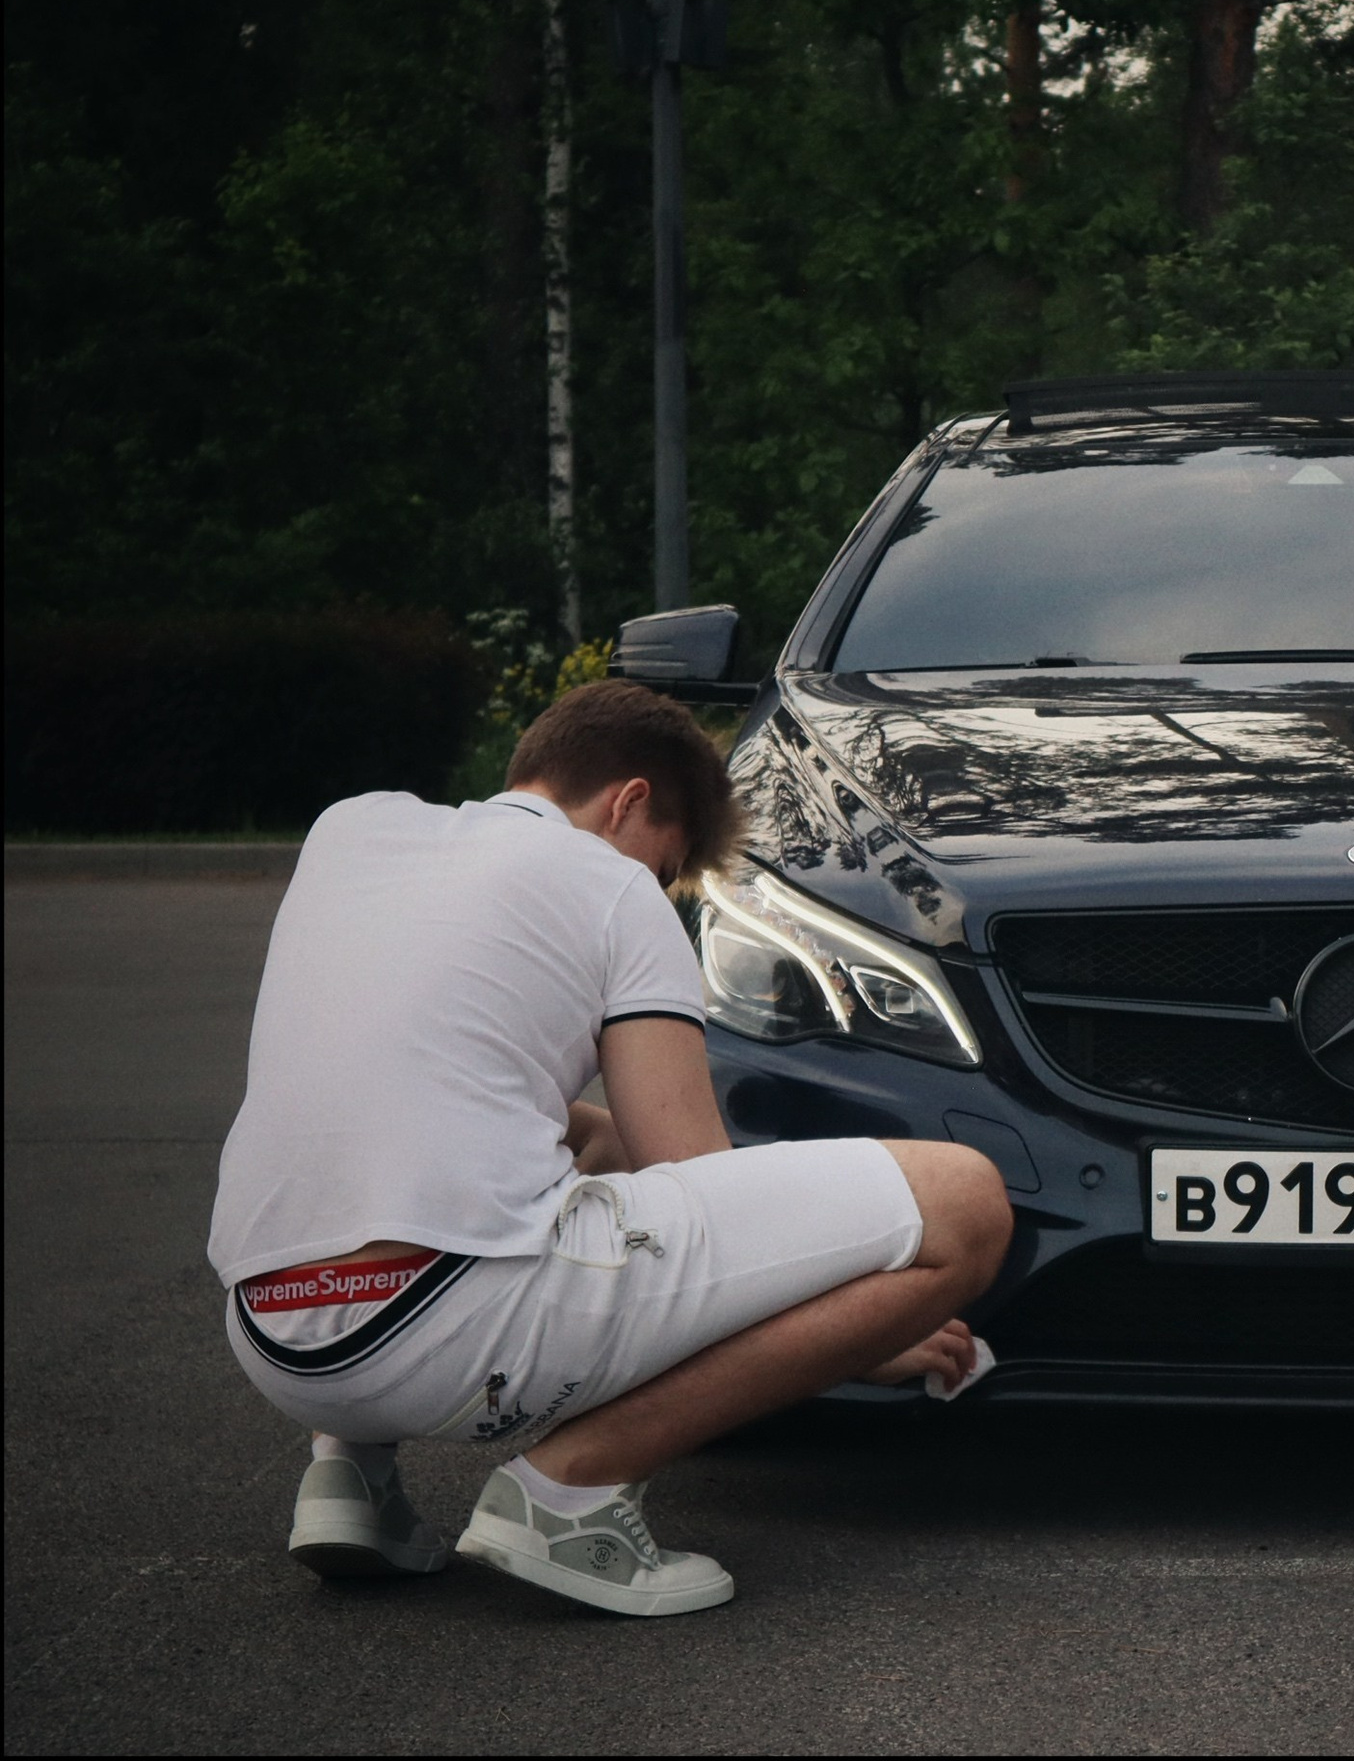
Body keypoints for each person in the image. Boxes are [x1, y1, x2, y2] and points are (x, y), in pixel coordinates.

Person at [208, 680, 1012, 1617]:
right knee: (963, 1203)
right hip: (445, 1332)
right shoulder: (613, 883)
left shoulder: (351, 831)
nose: (660, 887)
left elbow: (438, 1100)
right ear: (629, 801)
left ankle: (353, 1480)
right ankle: (570, 1493)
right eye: (668, 866)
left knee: (532, 1142)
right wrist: (858, 1335)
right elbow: (694, 1176)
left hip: (276, 1341)